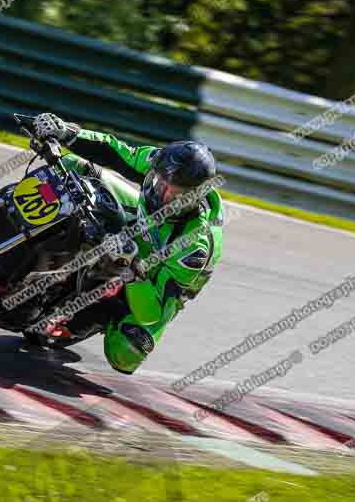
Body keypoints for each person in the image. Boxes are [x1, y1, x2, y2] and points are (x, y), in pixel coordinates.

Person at [30, 113, 225, 374]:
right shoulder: (162, 163)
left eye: (175, 194)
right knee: (74, 167)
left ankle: (105, 311)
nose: (161, 194)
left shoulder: (195, 245)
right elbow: (114, 150)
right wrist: (66, 133)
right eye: (159, 183)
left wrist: (132, 272)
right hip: (143, 220)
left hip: (159, 274)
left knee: (126, 354)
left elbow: (152, 312)